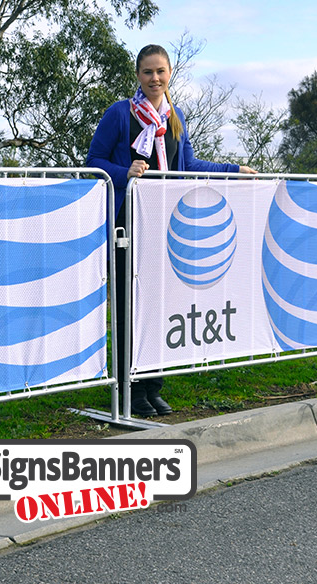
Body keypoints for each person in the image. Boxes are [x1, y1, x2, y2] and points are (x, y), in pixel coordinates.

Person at [87, 43, 257, 417]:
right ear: (137, 75)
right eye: (147, 72)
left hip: (164, 228)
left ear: (170, 74)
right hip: (127, 226)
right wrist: (124, 171)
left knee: (160, 308)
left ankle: (152, 386)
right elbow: (93, 161)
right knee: (130, 308)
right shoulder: (120, 114)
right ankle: (128, 389)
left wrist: (233, 170)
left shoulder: (174, 117)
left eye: (161, 71)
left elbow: (190, 164)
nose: (155, 78)